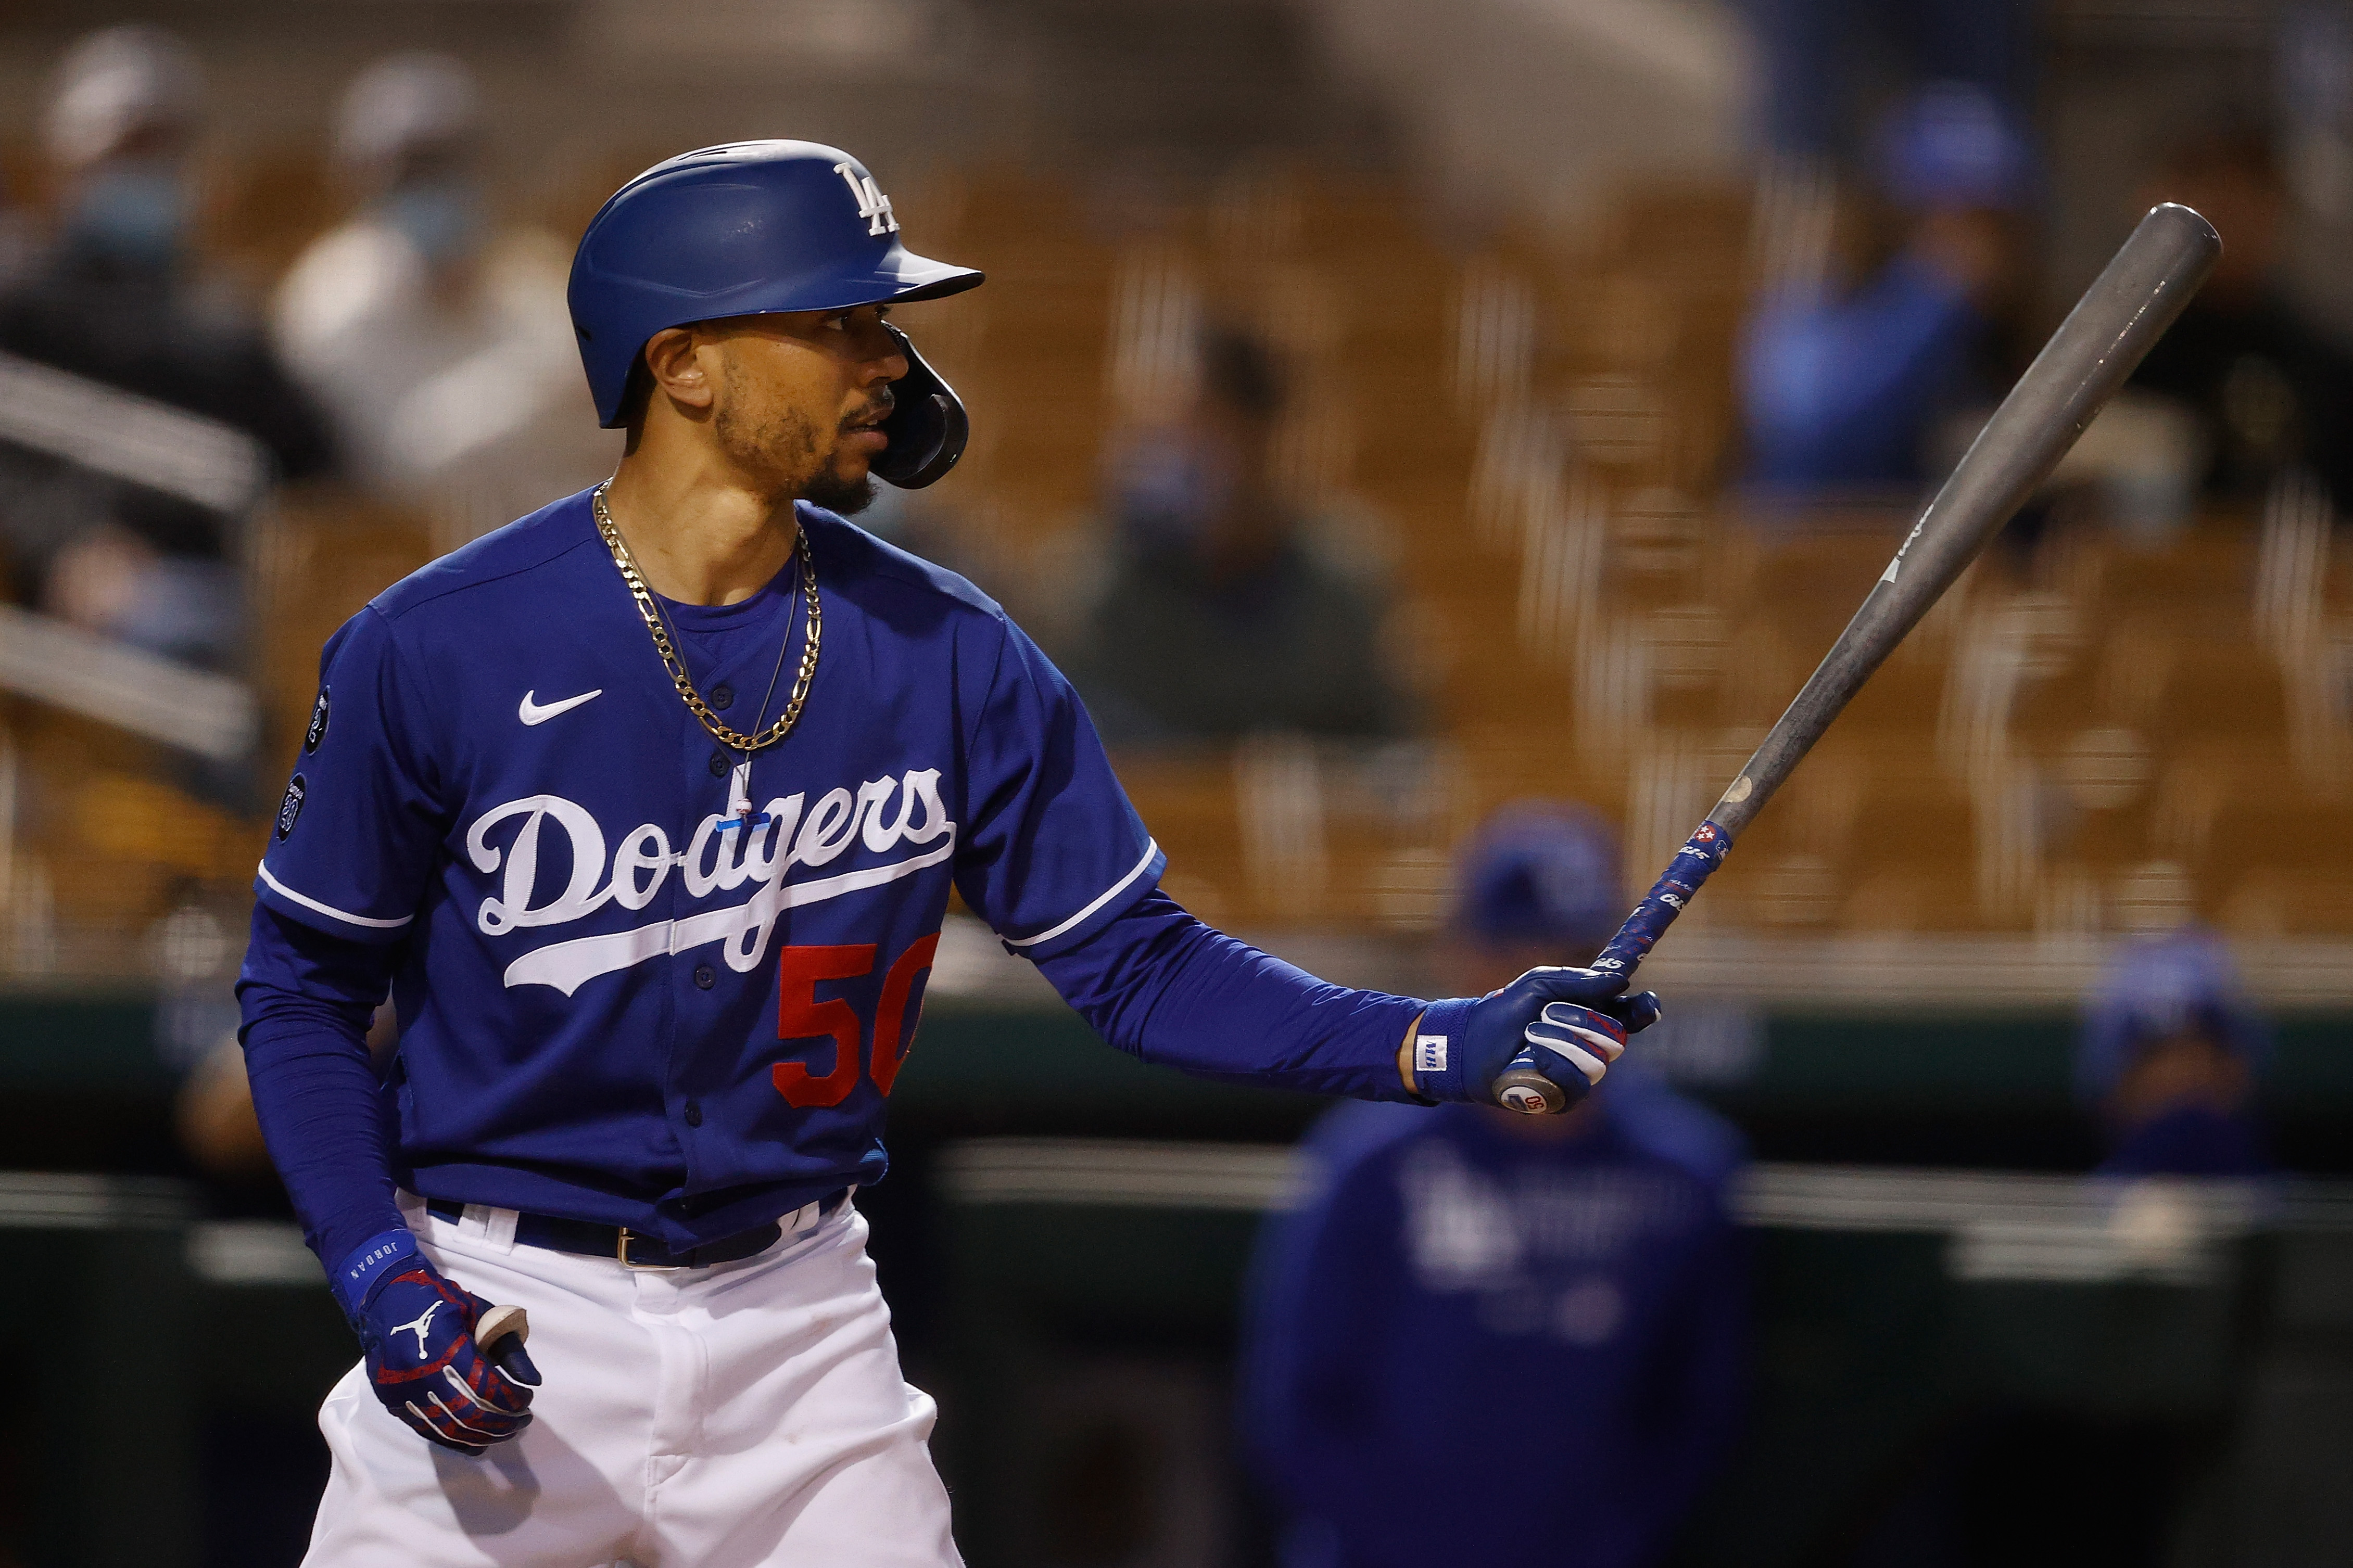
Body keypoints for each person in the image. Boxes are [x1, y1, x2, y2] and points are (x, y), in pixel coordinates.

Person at [234, 142, 1658, 1566]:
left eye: (886, 325)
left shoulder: (955, 655)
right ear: (684, 366)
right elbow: (299, 988)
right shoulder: (434, 648)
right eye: (841, 324)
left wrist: (1432, 1042)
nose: (887, 366)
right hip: (502, 1298)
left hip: (797, 1317)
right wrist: (382, 1274)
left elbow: (1139, 964)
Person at [1242, 804, 1749, 1568]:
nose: (1556, 996)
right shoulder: (1374, 1159)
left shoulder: (1685, 1170)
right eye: (1520, 961)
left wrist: (1611, 1540)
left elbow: (1697, 1413)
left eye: (1579, 958)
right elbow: (1297, 1406)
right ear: (1462, 961)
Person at [0, 25, 333, 667]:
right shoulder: (21, 305)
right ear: (69, 163)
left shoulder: (221, 317)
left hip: (225, 577)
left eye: (163, 151)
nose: (145, 175)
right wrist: (65, 545)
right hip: (78, 597)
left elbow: (310, 462)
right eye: (127, 152)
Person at [273, 52, 615, 538]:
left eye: (448, 164)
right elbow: (391, 467)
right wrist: (538, 391)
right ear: (364, 180)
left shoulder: (535, 287)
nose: (434, 187)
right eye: (412, 170)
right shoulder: (330, 303)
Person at [1062, 326, 1406, 744]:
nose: (1176, 451)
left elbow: (1391, 748)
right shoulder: (1101, 588)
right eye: (1163, 426)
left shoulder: (1340, 584)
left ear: (1262, 434)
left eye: (1204, 423)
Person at [1740, 83, 2032, 494]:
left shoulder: (1990, 326)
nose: (1983, 244)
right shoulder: (1822, 285)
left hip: (1937, 532)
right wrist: (1934, 296)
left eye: (1994, 221)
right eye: (1954, 217)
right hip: (1810, 535)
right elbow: (1810, 427)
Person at [2124, 130, 2353, 513]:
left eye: (2243, 199)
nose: (2226, 219)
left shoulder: (2323, 365)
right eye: (2205, 196)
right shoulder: (2124, 354)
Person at [2076, 928, 2271, 1177]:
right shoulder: (2086, 1211)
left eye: (2200, 1055)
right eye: (2155, 1057)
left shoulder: (2292, 1207)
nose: (2183, 1078)